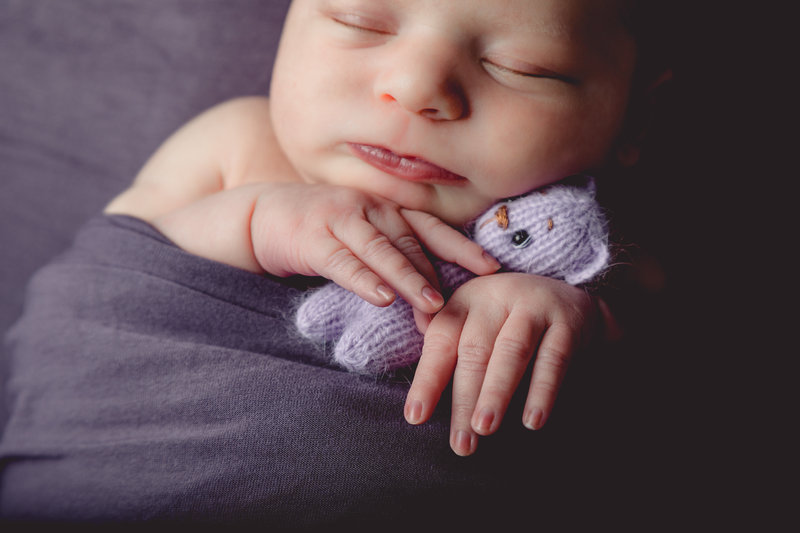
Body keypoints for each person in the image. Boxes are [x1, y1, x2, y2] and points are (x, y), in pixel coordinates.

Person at [105, 0, 670, 457]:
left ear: (637, 117)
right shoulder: (238, 146)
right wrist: (256, 221)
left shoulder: (591, 241)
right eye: (359, 21)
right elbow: (115, 271)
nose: (417, 88)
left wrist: (555, 315)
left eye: (522, 67)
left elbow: (651, 384)